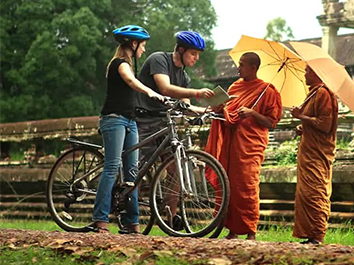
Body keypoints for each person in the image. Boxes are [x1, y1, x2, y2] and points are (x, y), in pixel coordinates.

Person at [135, 30, 214, 229]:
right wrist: (197, 92)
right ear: (180, 50)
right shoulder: (159, 59)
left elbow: (184, 106)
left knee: (176, 167)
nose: (196, 58)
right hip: (141, 119)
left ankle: (170, 216)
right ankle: (129, 216)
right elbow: (165, 88)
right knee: (134, 168)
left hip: (163, 122)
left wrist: (205, 111)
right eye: (193, 53)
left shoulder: (184, 77)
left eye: (198, 55)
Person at [91, 25, 165, 234]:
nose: (144, 50)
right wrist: (151, 92)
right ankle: (100, 219)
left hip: (130, 121)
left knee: (133, 172)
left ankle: (132, 223)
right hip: (114, 120)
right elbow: (131, 82)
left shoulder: (128, 65)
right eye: (142, 46)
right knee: (112, 166)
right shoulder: (120, 64)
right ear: (133, 44)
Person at [205, 52, 282, 240]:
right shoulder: (235, 87)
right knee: (230, 185)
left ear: (253, 67)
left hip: (251, 146)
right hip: (232, 145)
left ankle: (250, 230)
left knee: (247, 186)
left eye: (242, 64)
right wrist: (219, 108)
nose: (238, 68)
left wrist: (252, 113)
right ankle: (232, 230)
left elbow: (271, 122)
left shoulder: (267, 91)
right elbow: (229, 116)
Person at [290, 65, 339, 245]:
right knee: (306, 193)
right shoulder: (313, 93)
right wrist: (303, 127)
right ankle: (310, 235)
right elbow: (315, 123)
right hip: (309, 151)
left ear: (318, 73)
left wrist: (301, 117)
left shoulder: (324, 94)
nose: (305, 74)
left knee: (315, 192)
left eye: (308, 71)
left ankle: (317, 235)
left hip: (318, 154)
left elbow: (325, 125)